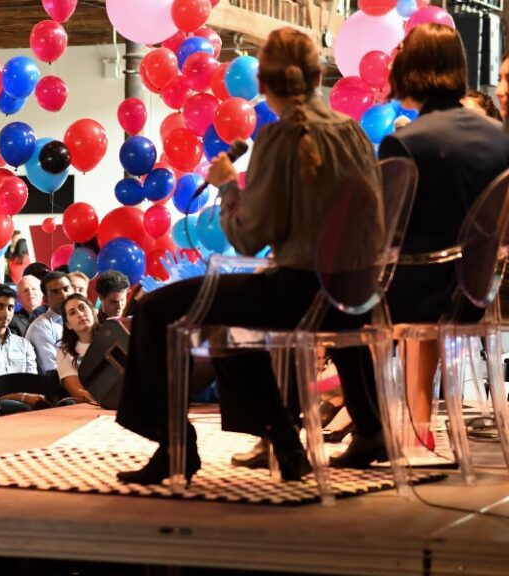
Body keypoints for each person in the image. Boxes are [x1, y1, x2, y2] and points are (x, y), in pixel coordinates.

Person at [115, 27, 381, 485]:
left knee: (155, 309)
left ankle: (174, 444)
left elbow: (245, 237)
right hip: (354, 295)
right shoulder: (353, 132)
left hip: (298, 293)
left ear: (262, 84)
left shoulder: (280, 139)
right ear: (318, 76)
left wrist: (226, 185)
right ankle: (282, 439)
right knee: (225, 323)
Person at [341, 23, 509, 464]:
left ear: (412, 71)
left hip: (415, 295)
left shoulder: (405, 141)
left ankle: (365, 429)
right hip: (476, 294)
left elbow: (381, 236)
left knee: (328, 302)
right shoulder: (500, 139)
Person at [26, 271, 74, 374]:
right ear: (45, 299)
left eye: (66, 289)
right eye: (55, 292)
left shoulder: (79, 318)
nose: (63, 295)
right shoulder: (40, 327)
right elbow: (55, 371)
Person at [57, 294, 99, 403]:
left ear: (93, 312)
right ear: (68, 325)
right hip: (96, 406)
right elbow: (77, 391)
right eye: (72, 313)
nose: (80, 314)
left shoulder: (112, 335)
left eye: (82, 308)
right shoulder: (65, 352)